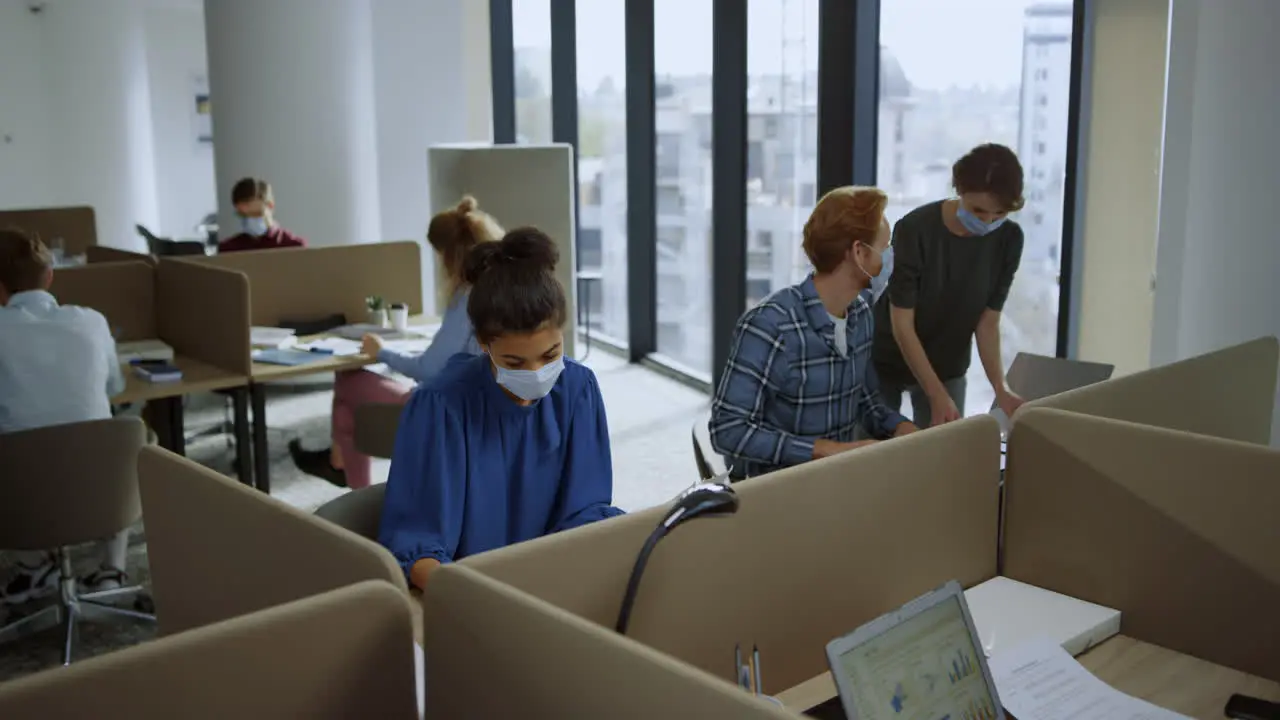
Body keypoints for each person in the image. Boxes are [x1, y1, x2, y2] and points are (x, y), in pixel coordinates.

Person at [378, 227, 624, 590]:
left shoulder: (577, 390)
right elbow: (417, 546)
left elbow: (585, 512)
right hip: (472, 596)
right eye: (514, 361)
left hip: (555, 586)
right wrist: (481, 598)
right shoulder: (441, 407)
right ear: (483, 344)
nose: (536, 374)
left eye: (550, 355)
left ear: (563, 334)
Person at [289, 196, 503, 488]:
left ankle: (345, 473)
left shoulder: (467, 297)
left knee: (348, 380)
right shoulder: (502, 291)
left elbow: (429, 370)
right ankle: (341, 468)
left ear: (450, 256)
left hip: (448, 412)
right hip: (486, 408)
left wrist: (382, 352)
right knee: (348, 409)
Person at [709, 186, 917, 480]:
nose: (890, 258)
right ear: (859, 252)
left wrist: (901, 428)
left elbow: (865, 401)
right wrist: (823, 450)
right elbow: (727, 431)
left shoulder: (860, 314)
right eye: (885, 247)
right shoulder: (769, 326)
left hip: (838, 482)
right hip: (779, 491)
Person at [0, 228, 132, 605]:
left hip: (23, 506)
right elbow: (115, 388)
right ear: (50, 276)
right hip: (104, 497)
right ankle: (111, 569)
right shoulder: (92, 321)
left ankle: (35, 564)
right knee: (117, 436)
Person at [872, 143, 1026, 428]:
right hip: (887, 357)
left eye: (999, 213)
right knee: (872, 454)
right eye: (978, 211)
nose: (988, 221)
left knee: (943, 453)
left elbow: (987, 323)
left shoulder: (1009, 239)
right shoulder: (915, 229)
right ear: (959, 190)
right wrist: (935, 393)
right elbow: (902, 323)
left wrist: (1000, 388)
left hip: (948, 362)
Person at [216, 177, 307, 253]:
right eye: (243, 216)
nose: (249, 220)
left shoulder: (294, 247)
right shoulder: (228, 250)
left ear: (270, 206)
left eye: (255, 214)